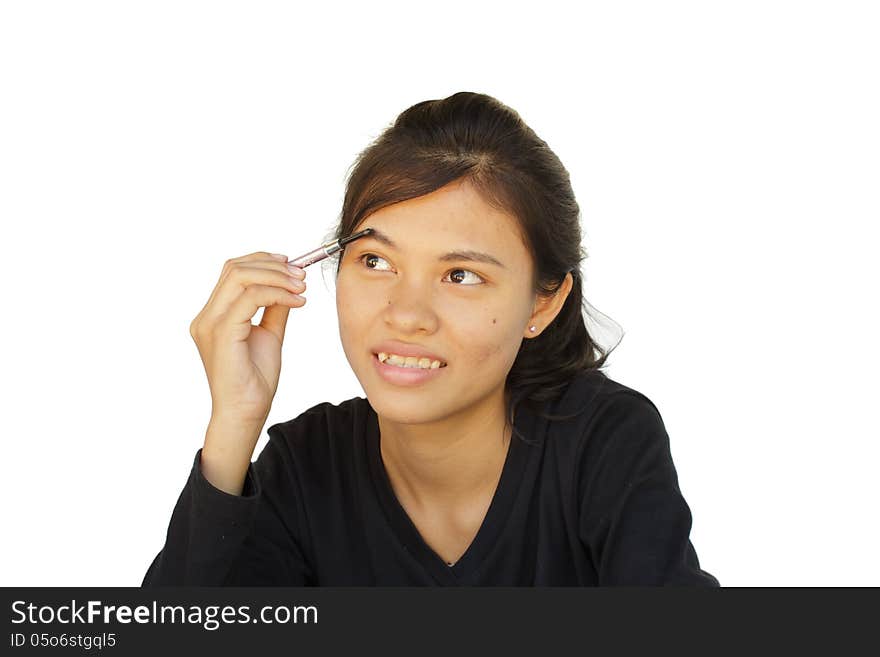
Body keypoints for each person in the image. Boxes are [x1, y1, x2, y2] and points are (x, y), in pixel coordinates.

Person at [142, 91, 719, 586]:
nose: (407, 315)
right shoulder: (305, 465)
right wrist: (232, 427)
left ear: (543, 302)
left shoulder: (603, 444)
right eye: (375, 260)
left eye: (460, 276)